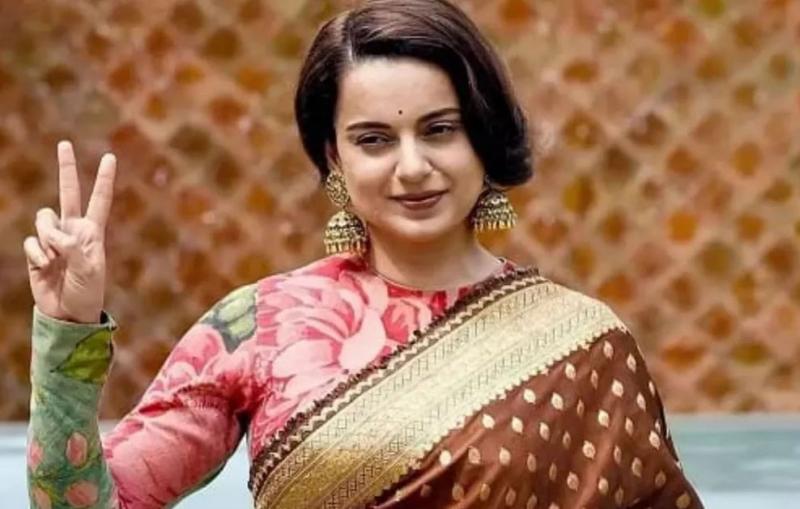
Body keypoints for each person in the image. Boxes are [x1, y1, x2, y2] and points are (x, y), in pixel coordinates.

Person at [24, 1, 704, 508]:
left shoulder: (584, 344)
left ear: (483, 137)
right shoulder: (263, 325)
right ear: (334, 157)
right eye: (374, 139)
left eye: (440, 130)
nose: (412, 167)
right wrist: (68, 334)